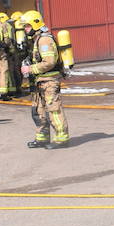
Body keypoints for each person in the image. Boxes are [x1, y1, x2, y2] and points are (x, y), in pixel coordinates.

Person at [20, 10, 69, 148]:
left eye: (27, 26)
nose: (25, 29)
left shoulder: (44, 40)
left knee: (54, 109)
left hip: (49, 81)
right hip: (39, 81)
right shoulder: (36, 40)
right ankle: (42, 138)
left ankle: (61, 138)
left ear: (36, 24)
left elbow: (49, 62)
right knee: (39, 111)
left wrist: (30, 69)